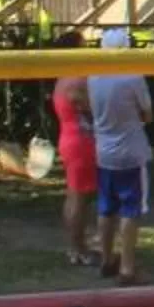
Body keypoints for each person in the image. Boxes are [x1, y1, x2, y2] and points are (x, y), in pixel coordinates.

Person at [85, 28, 153, 285]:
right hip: (131, 152)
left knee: (106, 207)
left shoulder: (93, 76)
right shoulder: (132, 77)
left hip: (103, 151)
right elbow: (148, 113)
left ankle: (106, 259)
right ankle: (127, 268)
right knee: (130, 210)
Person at [53, 52, 98, 268]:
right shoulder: (78, 81)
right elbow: (94, 108)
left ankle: (76, 246)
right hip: (81, 143)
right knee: (81, 198)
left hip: (69, 139)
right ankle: (77, 248)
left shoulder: (62, 78)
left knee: (74, 196)